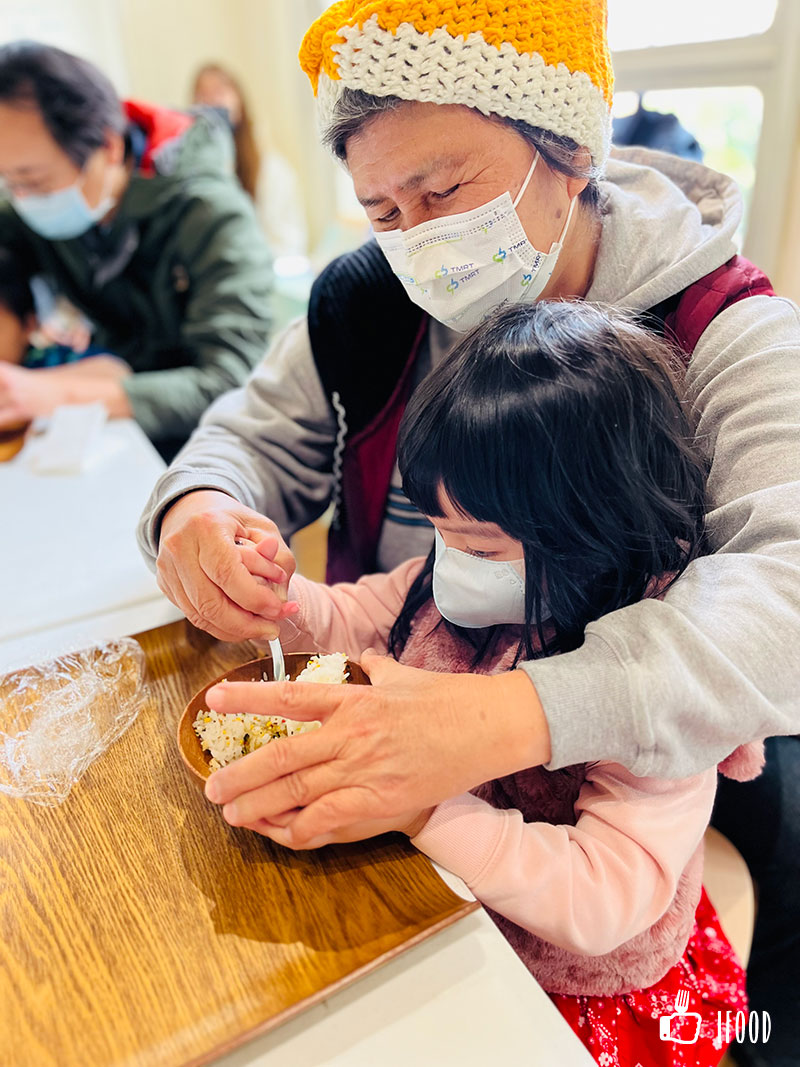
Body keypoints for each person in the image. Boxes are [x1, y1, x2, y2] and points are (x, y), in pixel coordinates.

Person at [139, 5, 800, 1062]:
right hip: (402, 770)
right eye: (382, 209)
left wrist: (490, 722)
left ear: (568, 152)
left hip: (582, 812)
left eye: (443, 192)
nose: (417, 240)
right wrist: (199, 515)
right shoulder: (366, 304)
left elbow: (781, 602)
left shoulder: (724, 336)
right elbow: (244, 439)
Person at [205, 301, 759, 1065]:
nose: (448, 562)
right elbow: (355, 618)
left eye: (479, 547)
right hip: (450, 900)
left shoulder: (656, 679)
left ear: (596, 531)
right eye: (438, 532)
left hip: (575, 981)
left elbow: (604, 896)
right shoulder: (456, 573)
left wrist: (423, 806)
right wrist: (281, 597)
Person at [0, 42, 273, 459]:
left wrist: (56, 394)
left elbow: (231, 381)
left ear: (108, 148)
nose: (22, 199)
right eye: (9, 181)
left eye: (34, 181)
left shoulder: (212, 215)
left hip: (211, 449)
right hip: (112, 423)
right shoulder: (33, 209)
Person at [191, 62, 308, 259]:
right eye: (202, 94)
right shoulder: (192, 171)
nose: (211, 102)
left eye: (219, 91)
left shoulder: (271, 169)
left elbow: (287, 243)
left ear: (238, 100)